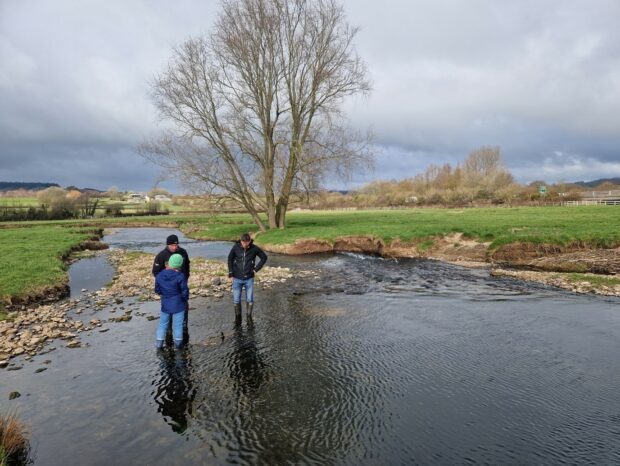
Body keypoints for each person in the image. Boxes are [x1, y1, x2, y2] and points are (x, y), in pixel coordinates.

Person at [153, 234, 191, 343]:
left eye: (176, 245)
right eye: (172, 245)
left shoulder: (183, 253)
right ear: (167, 245)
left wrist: (184, 280)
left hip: (181, 287)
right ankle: (169, 336)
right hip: (167, 291)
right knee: (167, 318)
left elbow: (187, 267)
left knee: (183, 315)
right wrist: (166, 284)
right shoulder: (161, 255)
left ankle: (184, 334)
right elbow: (155, 272)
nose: (174, 247)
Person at [227, 233, 267, 323]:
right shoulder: (235, 247)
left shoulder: (254, 248)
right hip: (237, 278)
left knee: (250, 299)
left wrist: (256, 269)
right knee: (236, 299)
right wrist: (230, 272)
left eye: (246, 243)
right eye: (243, 242)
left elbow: (264, 257)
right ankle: (238, 319)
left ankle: (249, 318)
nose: (245, 244)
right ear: (241, 241)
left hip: (249, 278)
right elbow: (230, 259)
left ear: (249, 241)